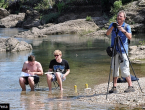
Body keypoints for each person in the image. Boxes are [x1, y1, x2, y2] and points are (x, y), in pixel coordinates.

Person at [106, 10, 135, 93]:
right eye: (118, 16)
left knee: (125, 68)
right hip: (114, 51)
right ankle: (114, 87)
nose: (118, 17)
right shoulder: (112, 25)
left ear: (124, 18)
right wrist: (112, 27)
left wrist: (123, 30)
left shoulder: (127, 26)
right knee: (114, 69)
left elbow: (130, 37)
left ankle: (130, 86)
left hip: (123, 51)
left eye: (120, 16)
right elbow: (107, 34)